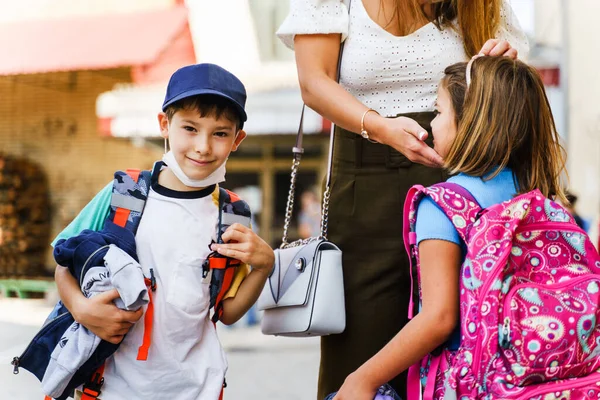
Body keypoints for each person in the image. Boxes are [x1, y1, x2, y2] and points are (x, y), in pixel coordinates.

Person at [277, 0, 529, 397]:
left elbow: (508, 89)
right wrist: (381, 128)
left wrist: (502, 64)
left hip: (462, 181)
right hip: (364, 178)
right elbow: (313, 82)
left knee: (465, 341)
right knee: (359, 349)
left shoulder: (479, 5)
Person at [331, 55, 568, 399]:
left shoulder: (444, 204)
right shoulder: (542, 198)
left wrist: (362, 379)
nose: (432, 123)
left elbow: (439, 318)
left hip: (474, 383)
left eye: (439, 112)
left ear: (471, 123)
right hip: (542, 381)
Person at [52, 63, 275, 400]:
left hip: (197, 388)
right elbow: (62, 264)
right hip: (111, 388)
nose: (202, 146)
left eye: (220, 133)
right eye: (190, 128)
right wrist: (83, 310)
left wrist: (265, 266)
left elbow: (227, 312)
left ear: (237, 140)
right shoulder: (123, 191)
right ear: (164, 125)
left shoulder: (233, 215)